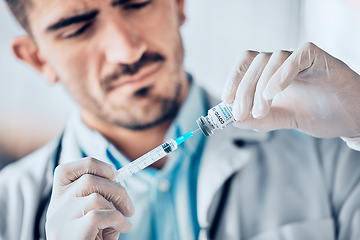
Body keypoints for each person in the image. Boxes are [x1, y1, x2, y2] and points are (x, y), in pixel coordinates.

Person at [1, 0, 360, 239]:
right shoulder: (8, 208)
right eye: (78, 27)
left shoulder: (329, 153)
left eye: (137, 2)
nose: (127, 49)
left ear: (178, 3)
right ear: (37, 59)